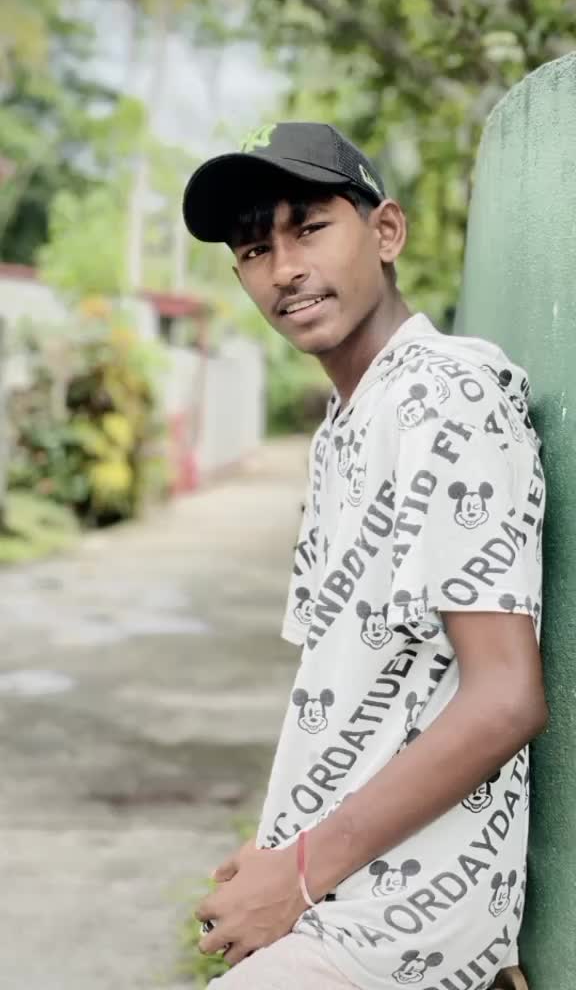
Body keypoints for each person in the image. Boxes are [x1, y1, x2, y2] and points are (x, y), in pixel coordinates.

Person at [182, 122, 546, 990]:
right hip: (346, 887)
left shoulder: (446, 394)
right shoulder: (348, 422)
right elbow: (359, 690)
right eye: (254, 249)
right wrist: (283, 846)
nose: (284, 268)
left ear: (386, 231)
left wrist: (301, 873)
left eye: (309, 227)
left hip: (402, 919)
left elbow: (505, 696)